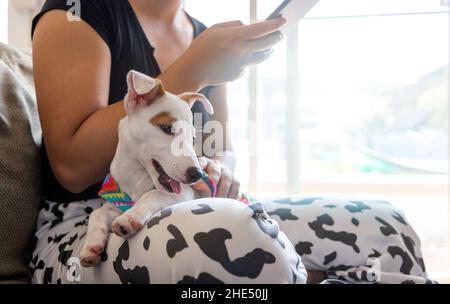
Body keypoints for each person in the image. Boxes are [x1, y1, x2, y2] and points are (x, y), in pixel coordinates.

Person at [30, 0, 433, 284]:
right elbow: (71, 167)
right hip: (84, 225)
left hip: (185, 201)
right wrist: (197, 66)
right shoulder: (77, 11)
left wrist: (220, 167)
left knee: (386, 226)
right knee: (240, 241)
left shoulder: (204, 35)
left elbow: (219, 146)